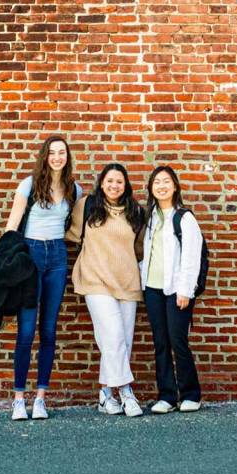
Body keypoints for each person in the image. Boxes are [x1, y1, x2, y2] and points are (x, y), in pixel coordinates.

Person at [1, 136, 82, 420]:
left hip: (58, 256)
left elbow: (77, 226)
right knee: (26, 330)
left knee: (48, 330)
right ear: (45, 156)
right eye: (52, 153)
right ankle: (18, 399)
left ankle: (40, 399)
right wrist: (5, 261)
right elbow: (12, 225)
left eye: (62, 153)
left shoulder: (74, 189)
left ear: (67, 157)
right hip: (31, 255)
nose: (57, 157)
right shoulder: (29, 184)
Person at [68, 162, 146, 418]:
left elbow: (139, 249)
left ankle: (105, 395)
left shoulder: (136, 212)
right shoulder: (87, 206)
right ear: (102, 183)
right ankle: (126, 392)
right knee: (113, 335)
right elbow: (70, 234)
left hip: (127, 282)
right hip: (95, 280)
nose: (114, 185)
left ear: (126, 185)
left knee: (121, 341)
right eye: (109, 181)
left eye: (119, 181)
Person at [141, 165, 204, 414]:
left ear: (175, 186)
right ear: (151, 188)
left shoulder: (184, 218)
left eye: (166, 181)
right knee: (160, 343)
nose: (161, 186)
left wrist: (185, 290)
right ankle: (166, 396)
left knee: (178, 341)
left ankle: (191, 395)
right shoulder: (150, 218)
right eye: (156, 182)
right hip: (152, 289)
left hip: (177, 290)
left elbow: (191, 257)